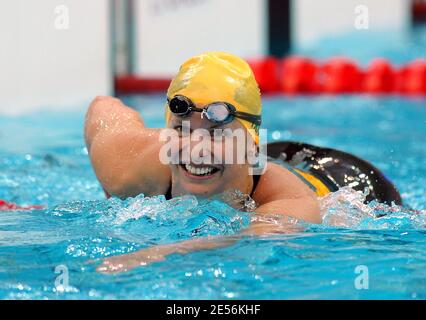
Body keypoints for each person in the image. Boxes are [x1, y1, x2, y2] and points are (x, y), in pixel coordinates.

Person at [85, 52, 400, 273]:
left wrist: (155, 255)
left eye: (216, 134)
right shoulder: (131, 164)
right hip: (263, 157)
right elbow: (103, 108)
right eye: (182, 129)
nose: (196, 148)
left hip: (344, 180)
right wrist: (113, 191)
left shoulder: (291, 202)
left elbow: (242, 241)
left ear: (251, 144)